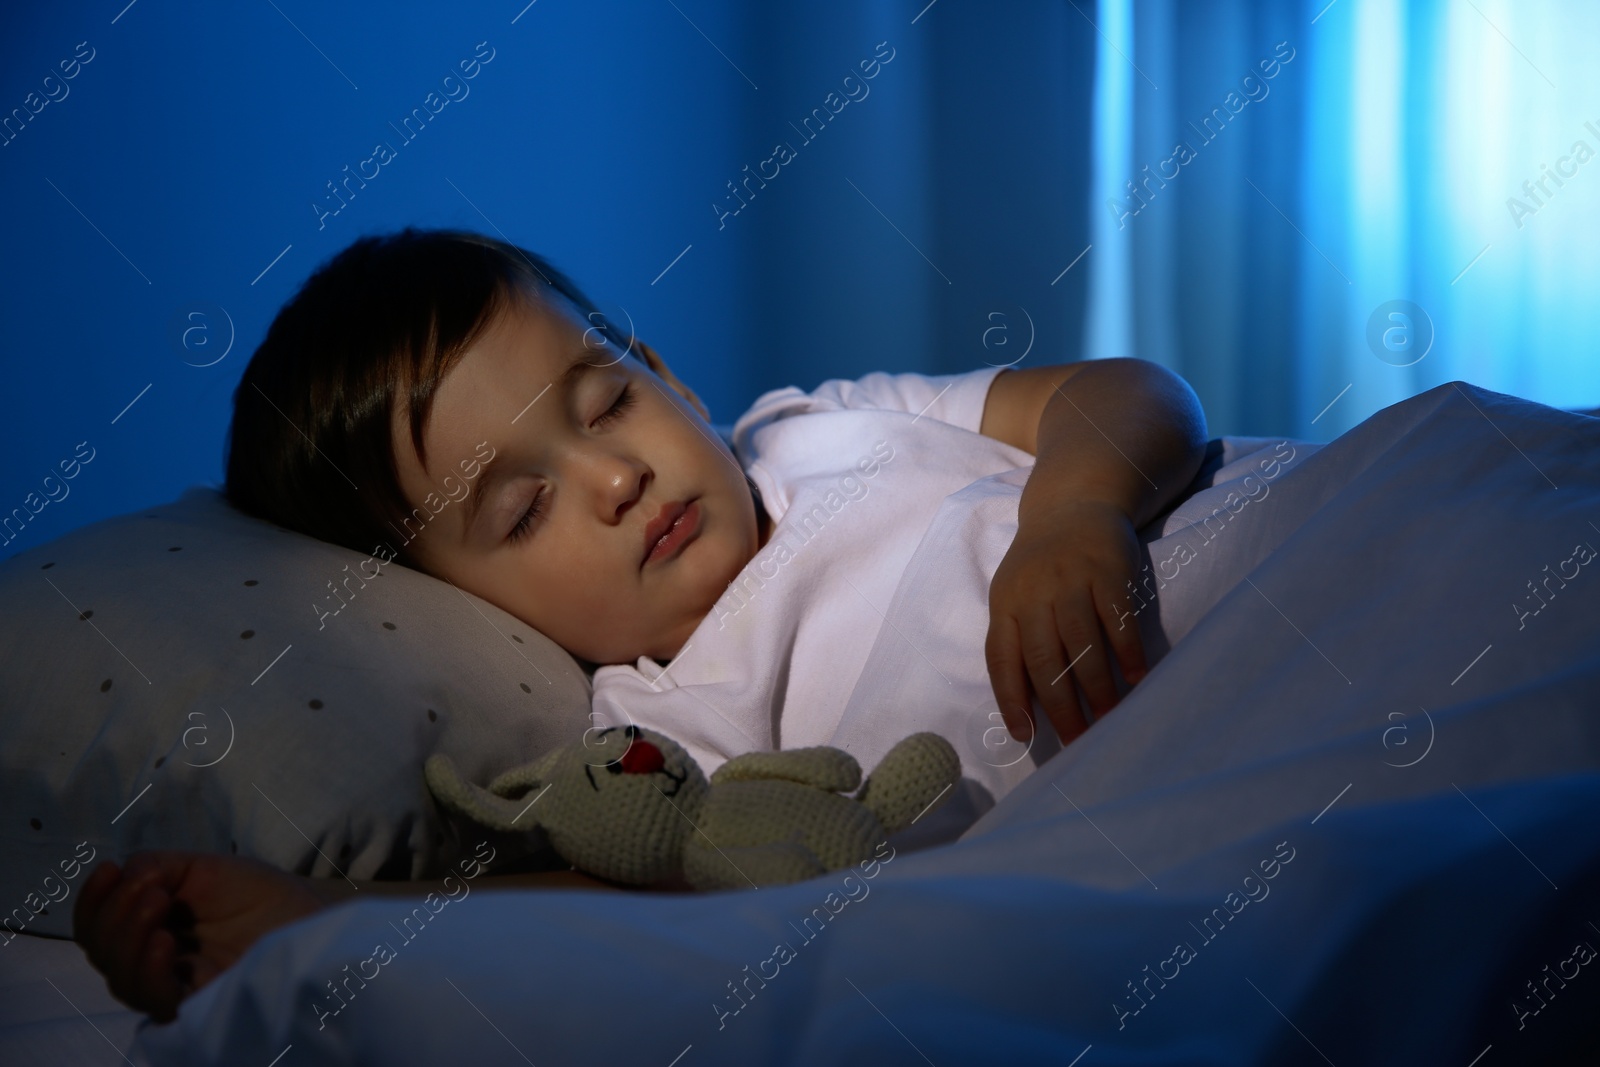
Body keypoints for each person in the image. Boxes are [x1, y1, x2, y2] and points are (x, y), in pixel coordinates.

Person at [75, 227, 1209, 1022]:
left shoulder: (822, 424)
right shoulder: (652, 721)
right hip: (1168, 796)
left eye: (608, 398)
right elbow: (625, 908)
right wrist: (314, 917)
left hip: (1241, 566)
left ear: (667, 372)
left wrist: (1074, 512)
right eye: (523, 509)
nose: (614, 475)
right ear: (469, 609)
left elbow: (1132, 391)